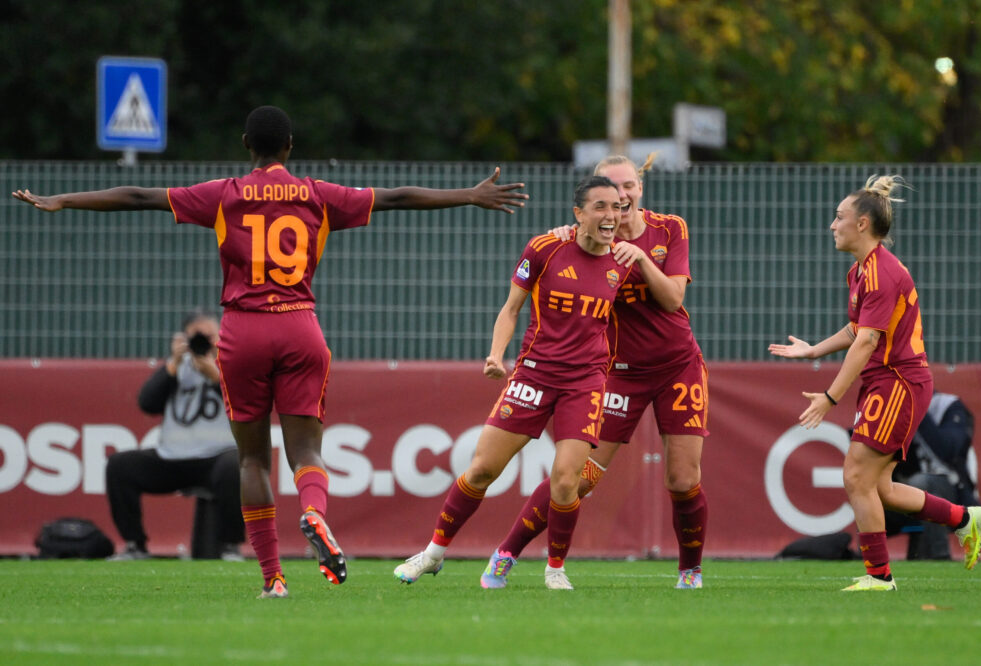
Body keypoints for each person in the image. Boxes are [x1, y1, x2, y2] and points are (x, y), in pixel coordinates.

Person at [12, 105, 528, 599]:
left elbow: (138, 196)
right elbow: (395, 198)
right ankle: (315, 513)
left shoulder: (224, 194)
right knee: (306, 451)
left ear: (245, 145)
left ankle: (273, 578)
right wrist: (469, 194)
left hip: (242, 331)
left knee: (252, 458)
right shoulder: (317, 194)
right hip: (300, 326)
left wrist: (65, 200)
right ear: (290, 146)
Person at [393, 175, 638, 590]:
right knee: (482, 469)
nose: (611, 215)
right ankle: (432, 554)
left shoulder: (625, 261)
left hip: (586, 382)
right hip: (534, 374)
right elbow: (511, 309)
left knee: (566, 480)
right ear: (578, 213)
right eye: (601, 207)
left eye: (616, 207)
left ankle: (555, 569)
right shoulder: (544, 248)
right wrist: (495, 354)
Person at [481, 154, 710, 590]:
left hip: (678, 366)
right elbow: (549, 271)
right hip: (618, 372)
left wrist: (641, 259)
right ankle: (506, 552)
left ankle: (690, 570)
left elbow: (674, 300)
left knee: (683, 478)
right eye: (611, 190)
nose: (620, 198)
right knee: (577, 478)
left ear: (640, 189)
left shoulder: (668, 229)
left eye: (628, 187)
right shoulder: (584, 239)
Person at [768, 175, 981, 591]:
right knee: (880, 487)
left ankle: (879, 577)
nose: (832, 225)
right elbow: (859, 329)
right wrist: (813, 350)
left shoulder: (881, 273)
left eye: (839, 217)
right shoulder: (860, 271)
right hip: (885, 382)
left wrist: (830, 397)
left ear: (863, 224)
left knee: (856, 477)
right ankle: (965, 518)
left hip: (898, 383)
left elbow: (868, 340)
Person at [106, 309, 244, 562]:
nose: (204, 343)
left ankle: (230, 546)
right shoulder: (176, 367)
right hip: (172, 458)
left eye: (211, 336)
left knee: (236, 466)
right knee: (119, 466)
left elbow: (246, 405)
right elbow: (147, 403)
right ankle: (135, 545)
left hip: (216, 459)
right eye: (197, 337)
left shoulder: (233, 365)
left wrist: (216, 376)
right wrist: (173, 364)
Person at [885, 391, 979, 559]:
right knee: (866, 485)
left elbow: (949, 450)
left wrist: (919, 413)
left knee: (920, 483)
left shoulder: (948, 405)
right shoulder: (894, 406)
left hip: (949, 485)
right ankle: (869, 558)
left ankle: (940, 555)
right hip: (904, 485)